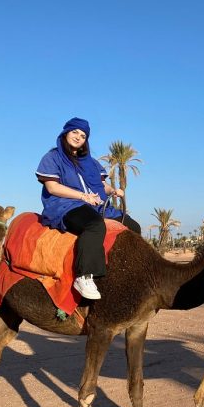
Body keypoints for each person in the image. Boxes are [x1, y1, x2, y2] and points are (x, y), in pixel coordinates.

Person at [36, 117, 142, 300]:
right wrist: (82, 196)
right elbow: (52, 187)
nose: (78, 137)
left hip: (97, 204)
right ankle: (84, 276)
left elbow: (102, 185)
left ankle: (128, 271)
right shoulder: (52, 158)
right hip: (65, 205)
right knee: (94, 225)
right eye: (75, 132)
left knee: (133, 226)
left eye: (83, 135)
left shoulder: (90, 162)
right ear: (66, 133)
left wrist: (114, 190)